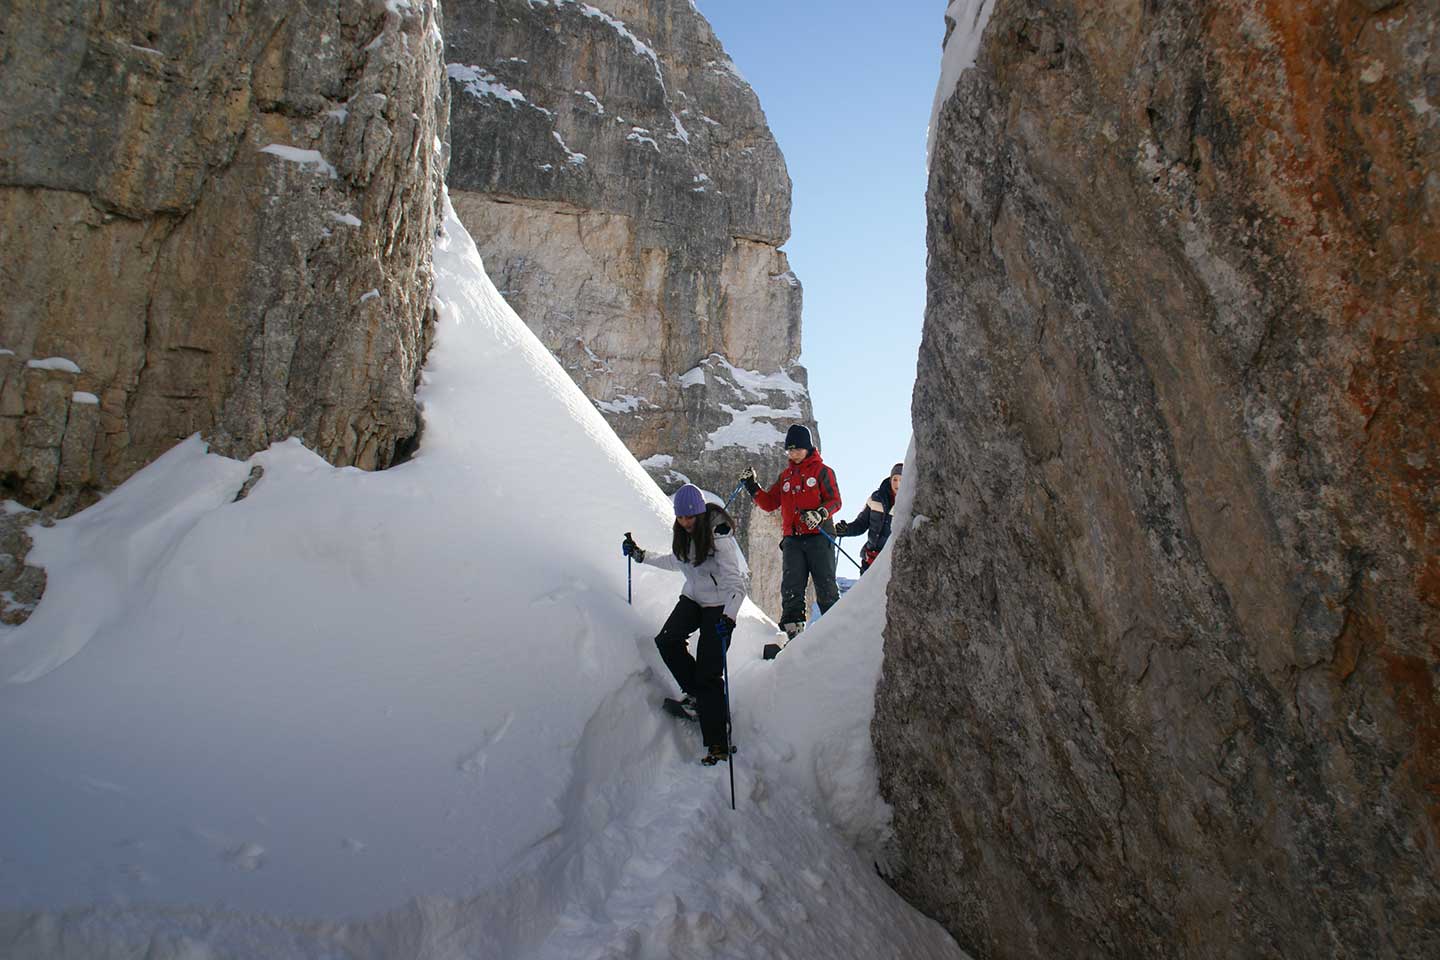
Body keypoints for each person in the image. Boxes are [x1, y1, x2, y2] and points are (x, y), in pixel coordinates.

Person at [622, 483, 747, 766]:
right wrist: (641, 556)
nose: (685, 522)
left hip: (720, 606)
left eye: (690, 517)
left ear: (701, 513)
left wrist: (729, 618)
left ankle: (717, 741)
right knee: (667, 640)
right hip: (693, 598)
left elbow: (737, 586)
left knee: (709, 672)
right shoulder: (683, 535)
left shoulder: (719, 537)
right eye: (681, 517)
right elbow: (674, 561)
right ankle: (698, 699)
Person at [739, 424, 841, 638]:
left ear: (808, 448)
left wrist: (820, 514)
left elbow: (835, 501)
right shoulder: (785, 476)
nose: (794, 454)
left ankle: (836, 632)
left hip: (819, 537)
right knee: (791, 587)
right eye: (790, 450)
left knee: (825, 585)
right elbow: (769, 503)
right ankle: (791, 633)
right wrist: (752, 486)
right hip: (793, 540)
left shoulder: (823, 472)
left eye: (798, 449)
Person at [835, 462, 902, 574]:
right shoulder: (876, 498)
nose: (897, 484)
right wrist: (845, 529)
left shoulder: (909, 504)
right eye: (895, 479)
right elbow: (861, 524)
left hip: (892, 563)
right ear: (890, 479)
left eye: (901, 480)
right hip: (870, 560)